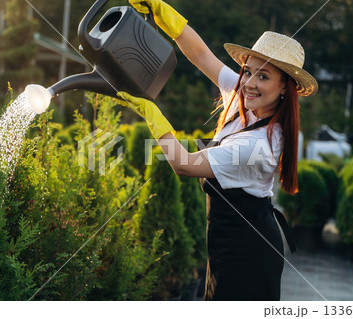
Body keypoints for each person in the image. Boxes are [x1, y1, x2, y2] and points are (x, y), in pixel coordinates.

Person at [116, 0, 318, 301]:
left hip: (249, 255)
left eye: (263, 77)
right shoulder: (242, 100)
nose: (249, 83)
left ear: (285, 88)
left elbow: (183, 164)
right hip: (226, 245)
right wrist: (162, 12)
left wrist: (151, 112)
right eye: (247, 71)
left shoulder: (259, 145)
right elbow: (200, 56)